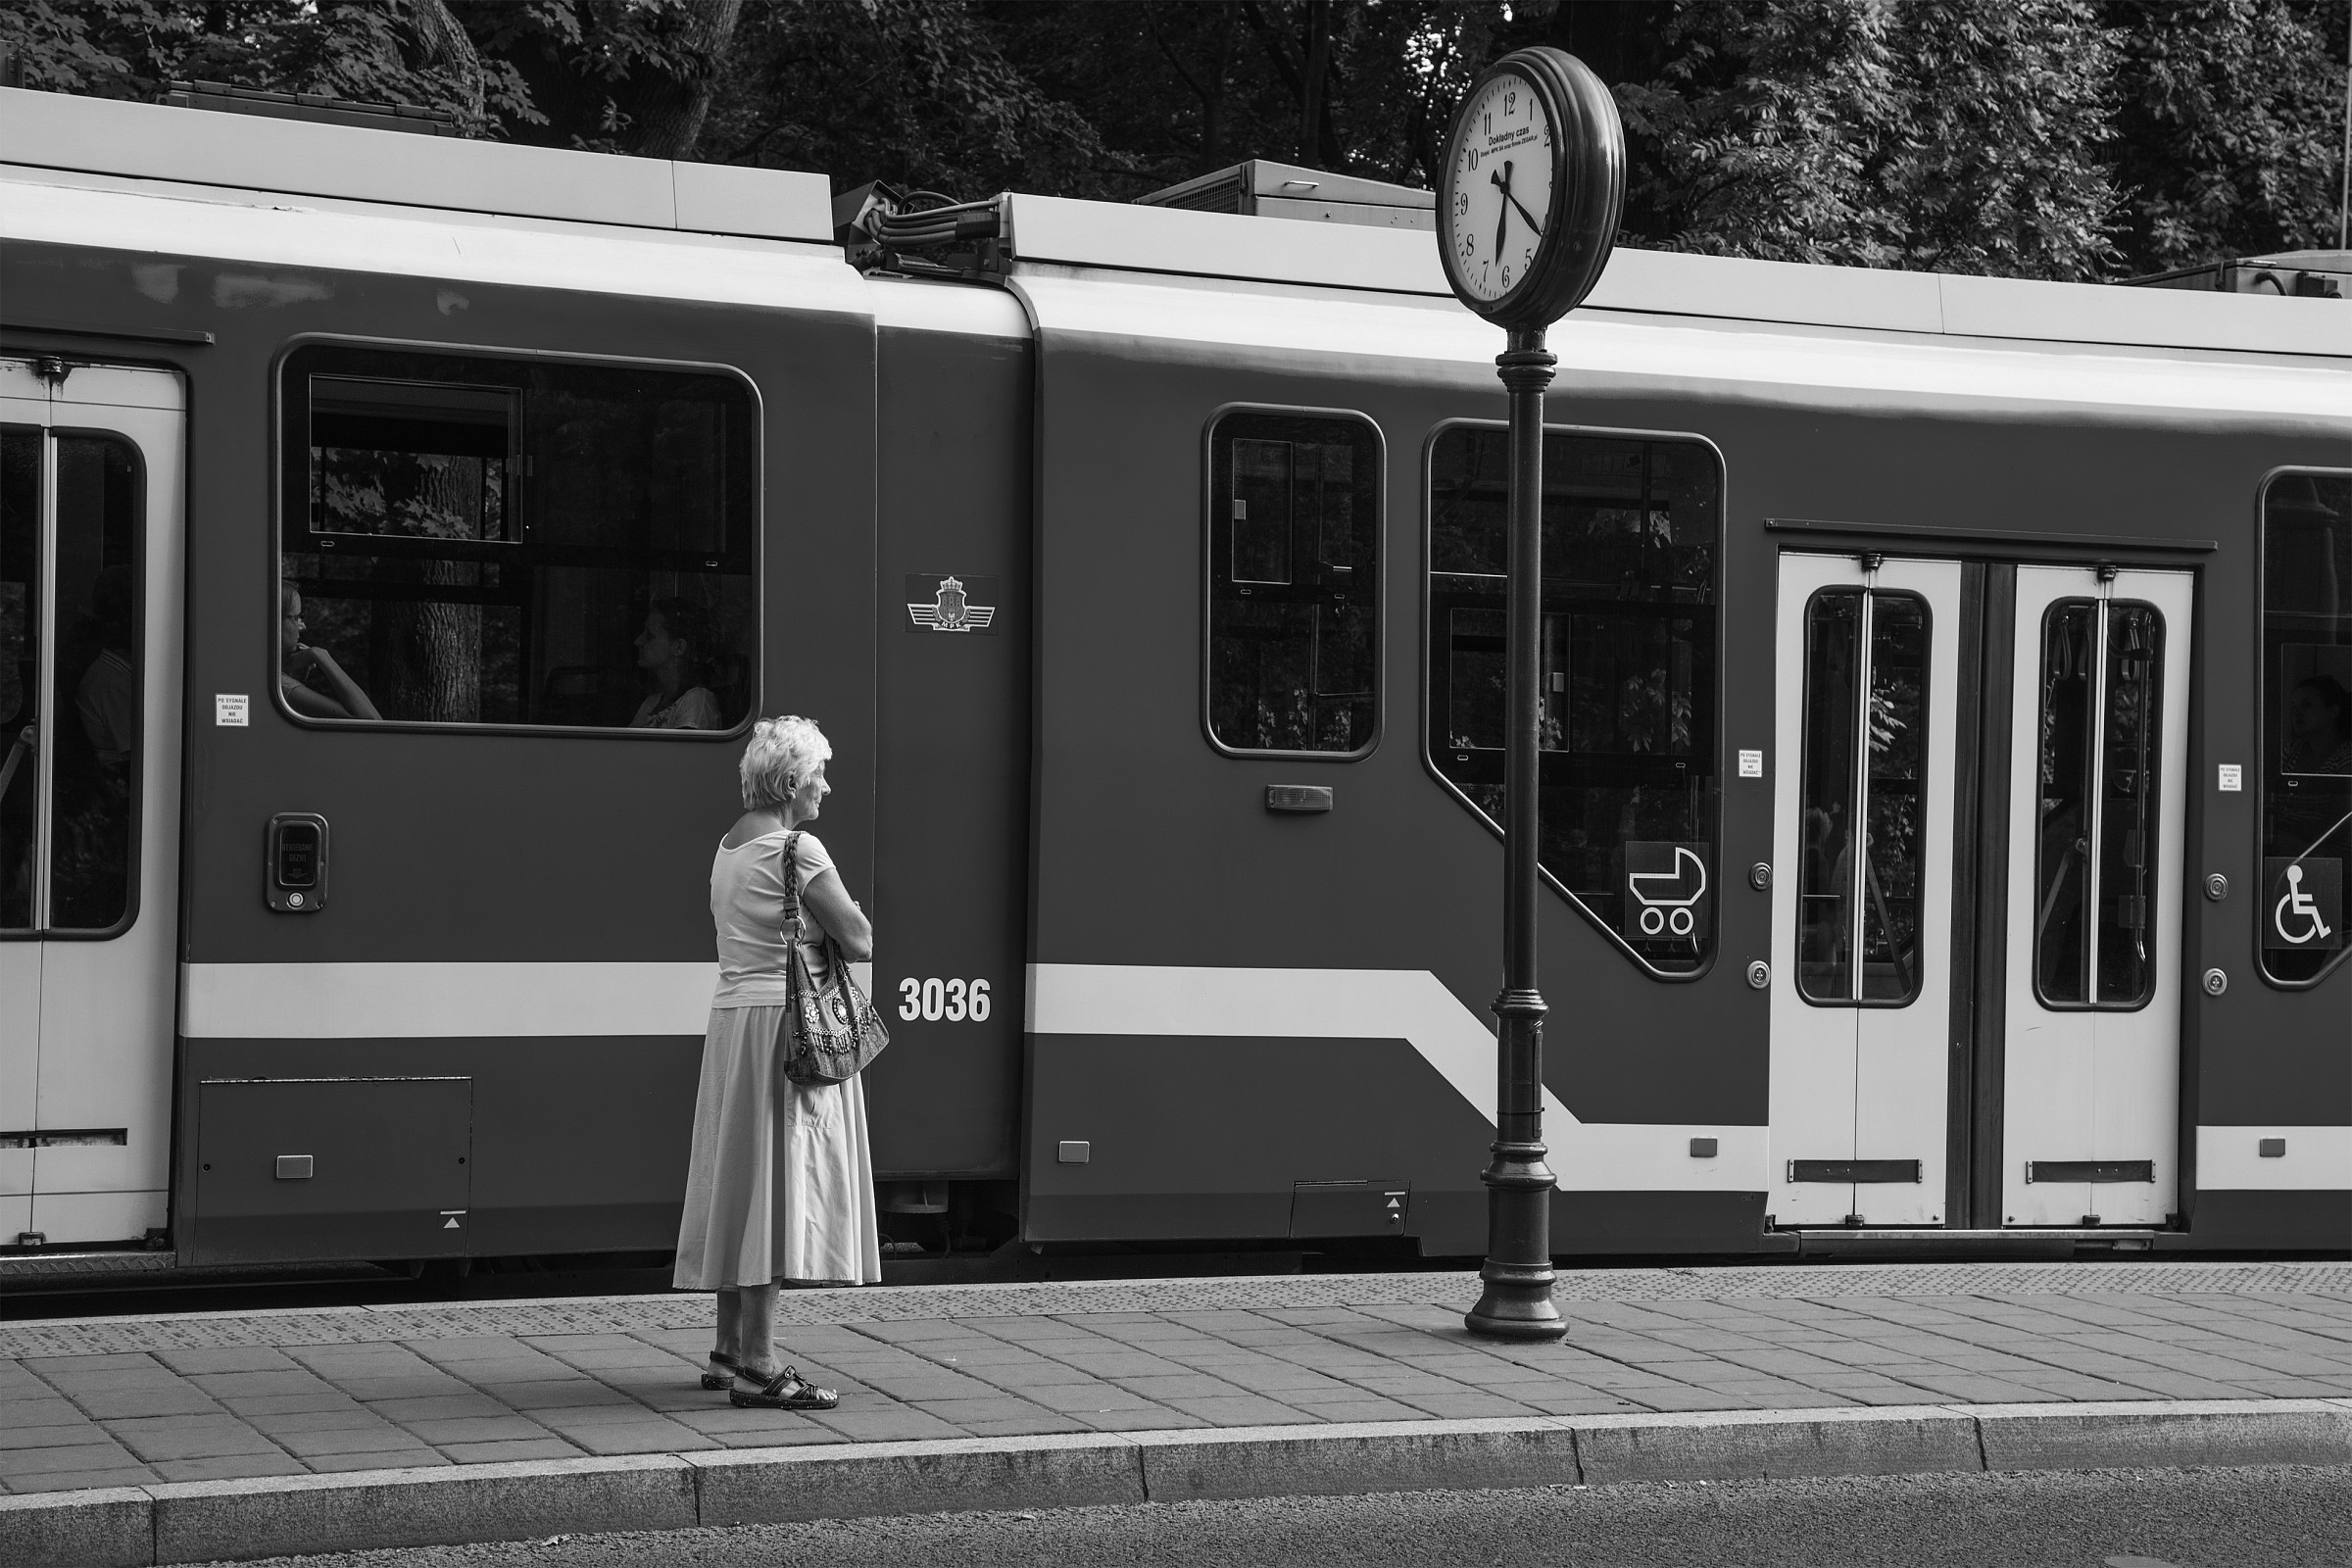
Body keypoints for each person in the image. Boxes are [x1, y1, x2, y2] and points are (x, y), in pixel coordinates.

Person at [673, 715, 878, 1410]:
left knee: (739, 1179)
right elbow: (859, 938)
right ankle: (762, 1365)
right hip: (789, 1028)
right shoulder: (800, 848)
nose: (827, 785)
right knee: (776, 1187)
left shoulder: (729, 846)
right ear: (792, 782)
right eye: (820, 772)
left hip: (735, 1020)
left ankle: (729, 1348)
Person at [279, 581, 382, 720]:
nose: (303, 627)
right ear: (276, 619)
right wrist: (320, 655)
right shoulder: (282, 683)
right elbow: (370, 720)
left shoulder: (278, 678)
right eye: (297, 617)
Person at [631, 598, 724, 730]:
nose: (638, 641)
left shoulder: (696, 701)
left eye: (650, 636)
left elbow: (683, 750)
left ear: (678, 647)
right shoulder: (650, 703)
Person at [2280, 673, 2352, 775]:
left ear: (2333, 711)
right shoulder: (2291, 750)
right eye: (2294, 707)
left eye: (2307, 704)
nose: (2296, 712)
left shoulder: (2346, 758)